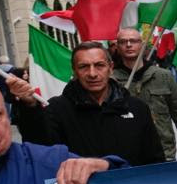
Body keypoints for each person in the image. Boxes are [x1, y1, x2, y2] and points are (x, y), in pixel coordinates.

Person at [11, 41, 165, 167]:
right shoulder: (57, 109)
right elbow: (40, 151)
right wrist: (30, 109)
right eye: (84, 67)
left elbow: (154, 159)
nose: (92, 73)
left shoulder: (136, 108)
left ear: (110, 68)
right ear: (74, 71)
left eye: (99, 65)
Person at [112, 28, 177, 161]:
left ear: (142, 44)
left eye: (133, 41)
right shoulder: (110, 81)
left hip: (164, 153)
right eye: (123, 41)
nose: (128, 44)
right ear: (117, 47)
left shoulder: (163, 76)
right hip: (126, 158)